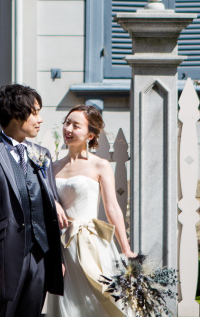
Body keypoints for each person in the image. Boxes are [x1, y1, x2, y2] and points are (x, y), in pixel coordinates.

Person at [0, 84, 68, 317]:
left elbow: (48, 204)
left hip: (41, 254)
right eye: (35, 112)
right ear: (15, 114)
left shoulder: (42, 154)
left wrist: (55, 257)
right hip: (5, 257)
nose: (40, 119)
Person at [46, 105, 137, 317]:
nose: (68, 128)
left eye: (75, 125)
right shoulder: (53, 166)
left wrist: (125, 248)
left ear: (90, 135)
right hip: (61, 245)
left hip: (91, 243)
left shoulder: (100, 165)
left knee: (97, 301)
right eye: (66, 122)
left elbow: (112, 207)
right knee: (67, 303)